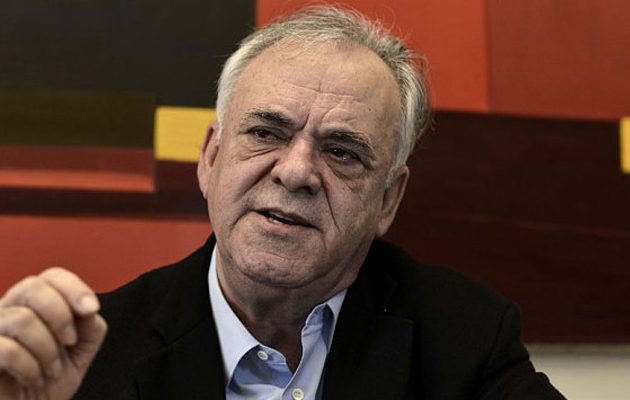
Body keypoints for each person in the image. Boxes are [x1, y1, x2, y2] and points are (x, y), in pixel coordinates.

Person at [0, 6, 565, 400]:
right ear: (210, 158)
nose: (295, 173)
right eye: (266, 133)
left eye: (341, 152)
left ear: (389, 198)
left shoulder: (464, 338)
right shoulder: (85, 357)